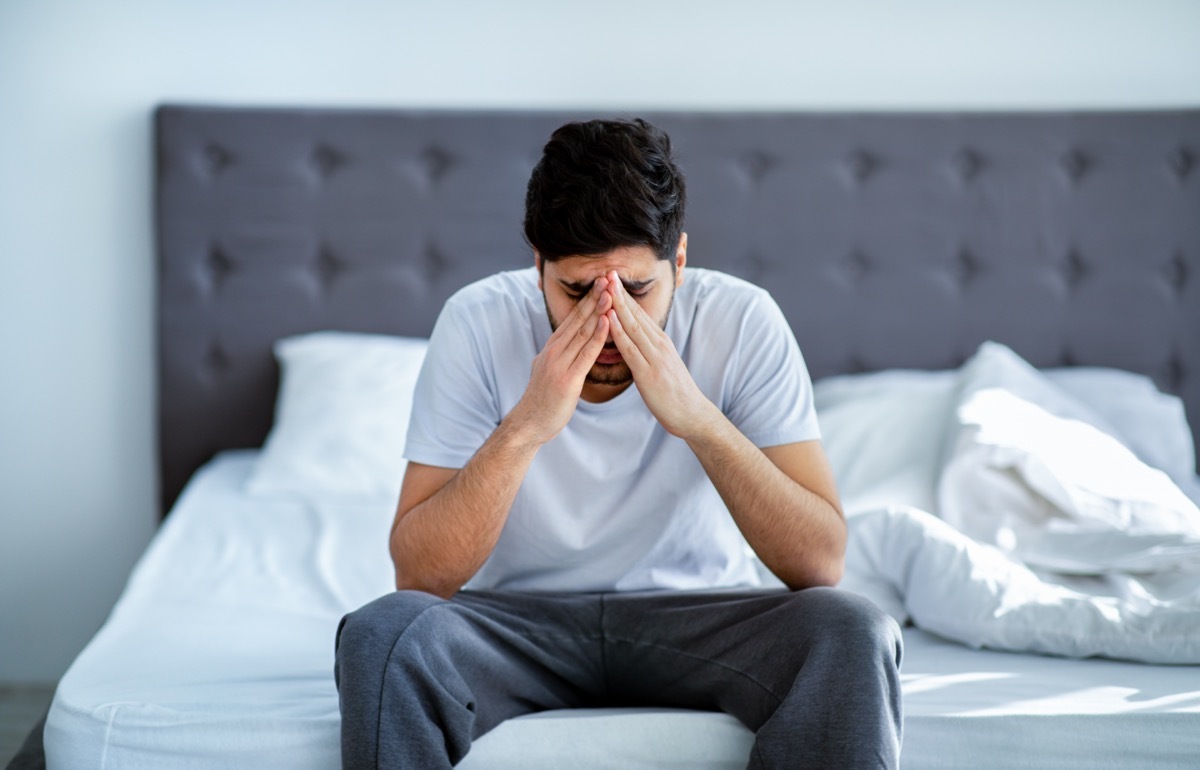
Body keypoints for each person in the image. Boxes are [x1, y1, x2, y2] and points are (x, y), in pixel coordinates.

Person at [335, 117, 903, 769]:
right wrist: (526, 426)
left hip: (701, 618)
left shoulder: (742, 321)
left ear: (680, 262)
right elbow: (419, 574)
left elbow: (819, 562)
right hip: (517, 625)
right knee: (384, 635)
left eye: (637, 290)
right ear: (537, 265)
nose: (608, 326)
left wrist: (698, 418)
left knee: (853, 631)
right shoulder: (477, 322)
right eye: (576, 291)